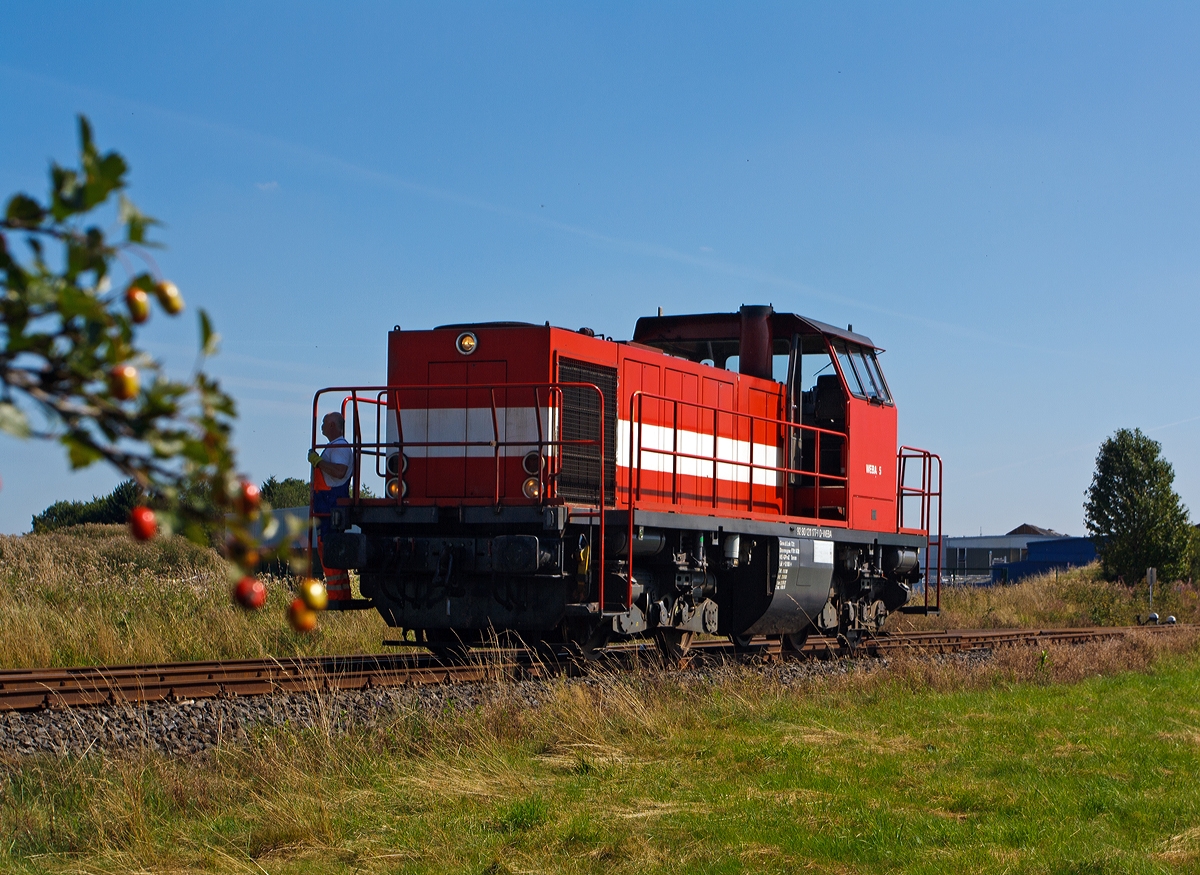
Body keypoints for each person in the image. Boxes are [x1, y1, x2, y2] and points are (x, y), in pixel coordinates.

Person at [309, 412, 354, 604]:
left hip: (330, 506)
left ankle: (336, 598)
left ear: (333, 426)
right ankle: (341, 596)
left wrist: (319, 462)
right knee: (333, 552)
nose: (321, 426)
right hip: (327, 505)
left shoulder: (341, 447)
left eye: (324, 423)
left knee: (329, 552)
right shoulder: (336, 447)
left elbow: (340, 471)